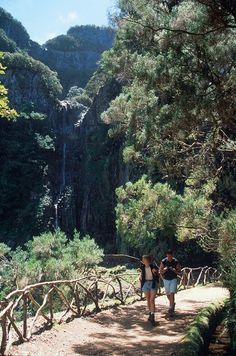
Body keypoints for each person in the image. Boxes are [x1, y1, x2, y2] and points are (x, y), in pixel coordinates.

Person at [160, 249, 181, 316]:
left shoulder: (175, 261)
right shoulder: (163, 261)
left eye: (170, 256)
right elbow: (160, 271)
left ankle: (170, 308)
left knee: (172, 293)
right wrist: (164, 270)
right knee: (168, 294)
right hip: (166, 279)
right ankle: (172, 303)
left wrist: (174, 270)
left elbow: (179, 271)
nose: (169, 257)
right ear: (166, 255)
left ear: (172, 255)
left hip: (173, 279)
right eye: (168, 256)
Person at [140, 255, 159, 326]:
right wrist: (140, 276)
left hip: (153, 283)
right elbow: (142, 274)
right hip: (145, 283)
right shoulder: (142, 266)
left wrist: (155, 272)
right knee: (148, 300)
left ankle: (152, 316)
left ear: (147, 260)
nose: (142, 260)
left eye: (143, 259)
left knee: (152, 300)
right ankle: (150, 313)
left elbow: (158, 274)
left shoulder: (153, 266)